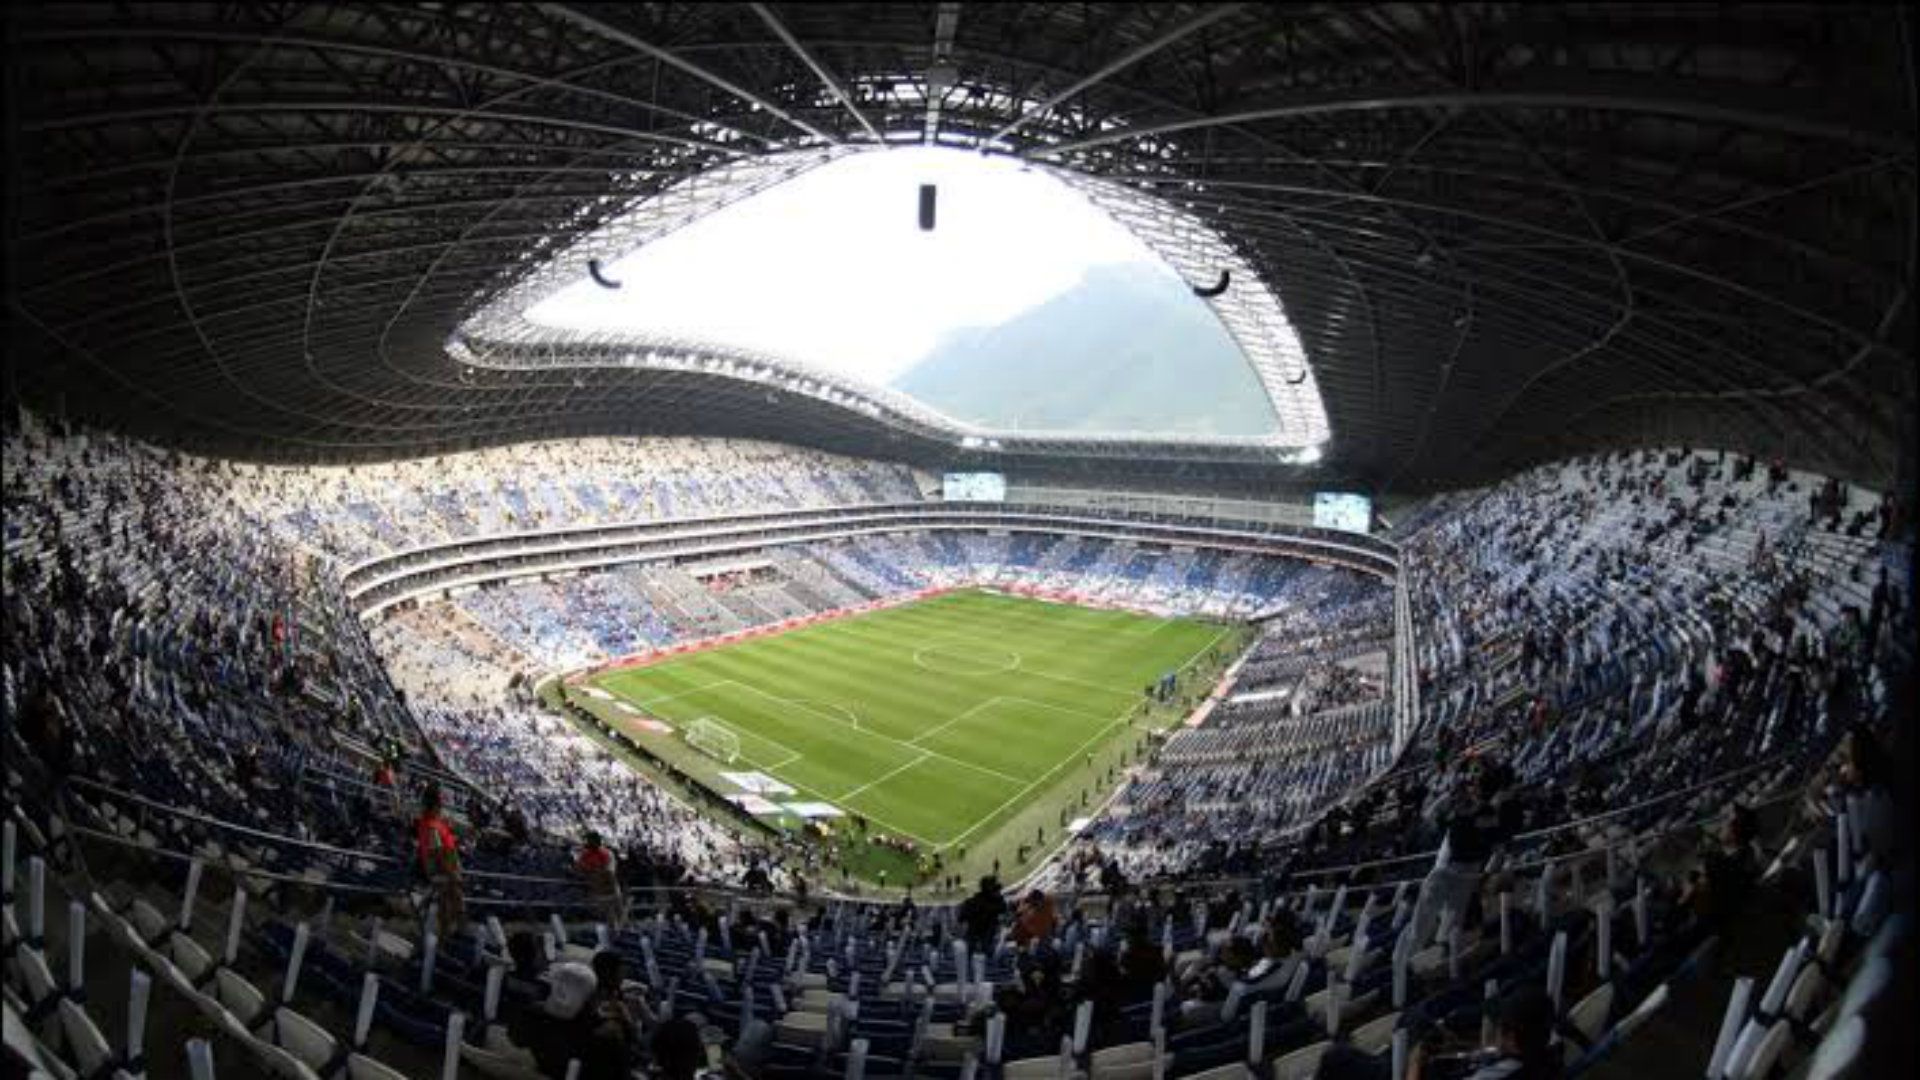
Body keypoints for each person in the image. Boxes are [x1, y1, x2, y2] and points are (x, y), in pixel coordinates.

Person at [1407, 986, 1560, 1080]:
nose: (1495, 1030)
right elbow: (1495, 1050)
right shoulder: (1544, 1051)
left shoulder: (1501, 1074)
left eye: (1499, 1026)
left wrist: (1414, 1064)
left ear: (1511, 1037)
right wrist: (1459, 1045)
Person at [414, 784, 466, 938]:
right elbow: (437, 854)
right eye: (441, 804)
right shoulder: (432, 827)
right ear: (436, 805)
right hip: (440, 870)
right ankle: (449, 933)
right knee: (452, 899)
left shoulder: (432, 822)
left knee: (450, 899)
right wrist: (452, 874)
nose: (442, 807)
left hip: (444, 866)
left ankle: (448, 930)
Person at [577, 830, 626, 929]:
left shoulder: (606, 853)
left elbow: (609, 872)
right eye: (588, 841)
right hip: (596, 887)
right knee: (606, 914)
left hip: (608, 885)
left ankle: (623, 928)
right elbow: (580, 867)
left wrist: (593, 871)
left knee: (617, 910)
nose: (588, 843)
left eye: (591, 840)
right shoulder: (585, 854)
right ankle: (612, 930)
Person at [959, 876, 1007, 956]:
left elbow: (961, 918)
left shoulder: (972, 901)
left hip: (975, 938)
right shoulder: (994, 904)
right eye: (996, 890)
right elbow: (1002, 908)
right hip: (983, 939)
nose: (999, 892)